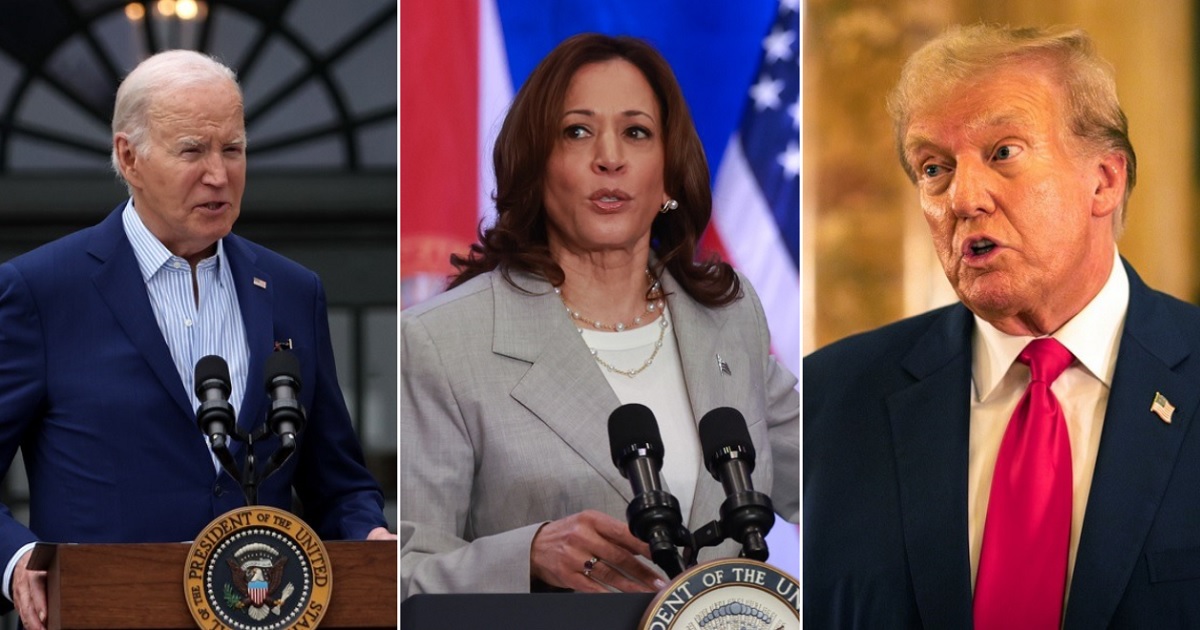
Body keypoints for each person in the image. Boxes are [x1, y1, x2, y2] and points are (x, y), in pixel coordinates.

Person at [804, 23, 1200, 628]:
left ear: (1104, 179)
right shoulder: (830, 399)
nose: (963, 198)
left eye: (1003, 153)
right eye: (933, 168)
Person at [0, 50, 394, 630]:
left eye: (232, 149)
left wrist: (368, 533)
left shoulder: (290, 291)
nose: (219, 174)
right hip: (105, 612)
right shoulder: (41, 290)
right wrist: (16, 560)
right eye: (192, 150)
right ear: (128, 156)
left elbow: (339, 483)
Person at [400, 33, 799, 598]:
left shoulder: (730, 320)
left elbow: (832, 488)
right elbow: (405, 573)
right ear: (536, 166)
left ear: (667, 174)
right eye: (577, 132)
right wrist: (526, 555)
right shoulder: (440, 342)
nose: (609, 158)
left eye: (636, 133)